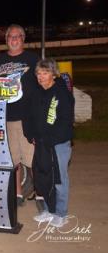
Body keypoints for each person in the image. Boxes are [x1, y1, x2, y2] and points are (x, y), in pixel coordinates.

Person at [0, 24, 39, 206]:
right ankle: (18, 194)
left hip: (28, 117)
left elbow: (42, 85)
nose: (14, 39)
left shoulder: (33, 59)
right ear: (6, 39)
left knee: (33, 160)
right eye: (11, 36)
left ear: (23, 39)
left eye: (18, 36)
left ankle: (39, 194)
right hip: (6, 117)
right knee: (13, 161)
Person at [27, 58, 74, 228]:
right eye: (38, 73)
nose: (41, 76)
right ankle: (48, 210)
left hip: (58, 144)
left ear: (53, 74)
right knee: (43, 177)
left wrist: (51, 139)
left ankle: (61, 213)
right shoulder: (36, 93)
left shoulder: (62, 93)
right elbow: (29, 117)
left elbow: (65, 121)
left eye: (45, 72)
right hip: (41, 143)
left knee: (59, 179)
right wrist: (30, 134)